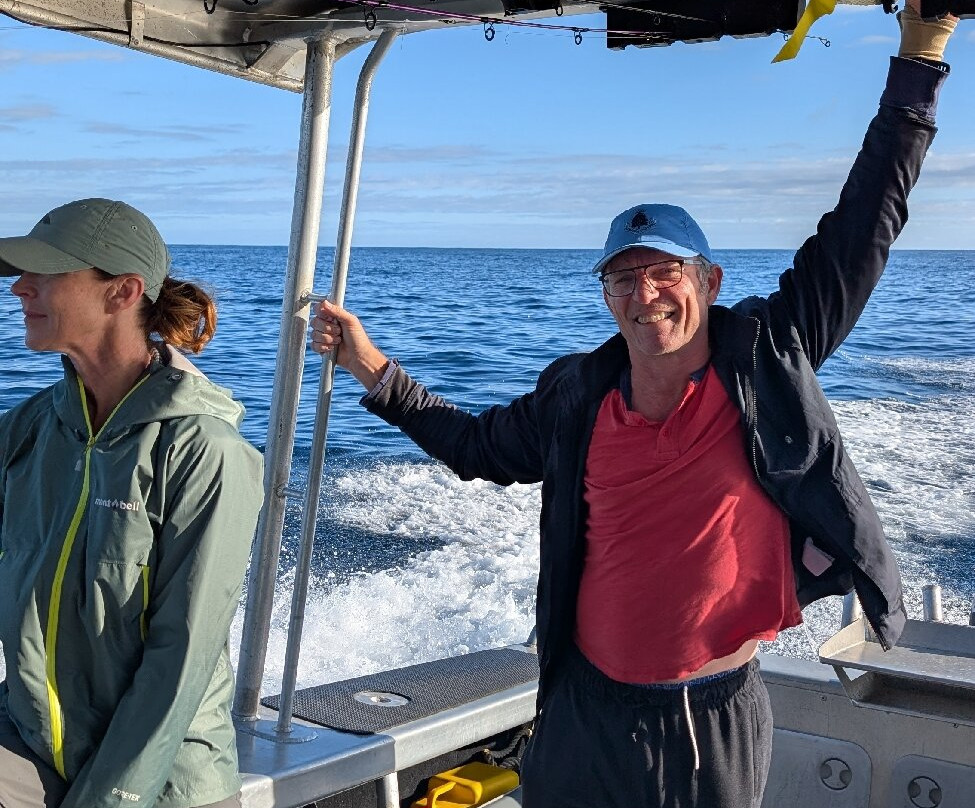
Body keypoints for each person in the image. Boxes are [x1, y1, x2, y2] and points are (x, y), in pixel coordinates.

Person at [308, 6, 956, 807]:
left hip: (701, 716)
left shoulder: (768, 357)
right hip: (580, 706)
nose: (644, 295)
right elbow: (475, 448)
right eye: (622, 278)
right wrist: (369, 366)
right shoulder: (576, 393)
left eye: (664, 273)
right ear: (606, 295)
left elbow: (864, 224)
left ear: (708, 282)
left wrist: (920, 54)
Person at [0, 198, 263, 808]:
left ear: (122, 292)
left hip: (162, 775)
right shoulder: (32, 428)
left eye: (45, 273)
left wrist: (110, 797)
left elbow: (182, 658)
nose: (19, 288)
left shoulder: (204, 450)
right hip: (36, 737)